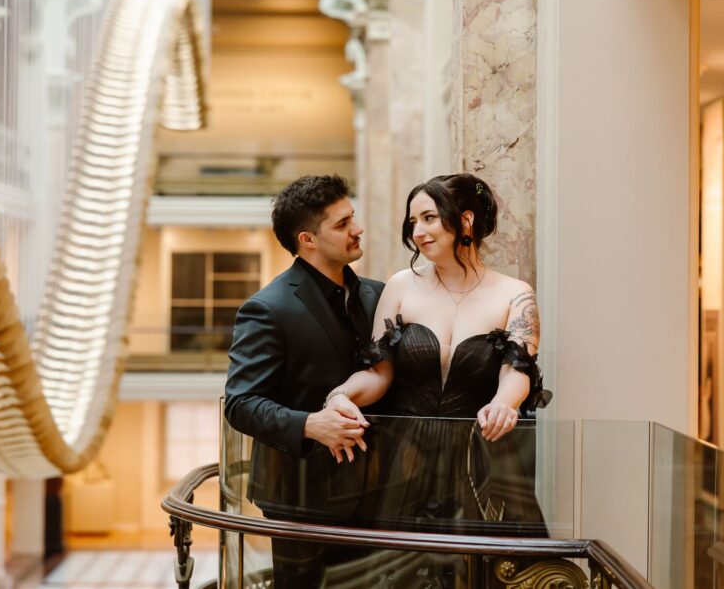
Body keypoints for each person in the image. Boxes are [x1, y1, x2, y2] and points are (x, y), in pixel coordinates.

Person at [324, 173, 552, 585]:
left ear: (464, 221)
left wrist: (505, 403)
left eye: (428, 218)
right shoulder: (400, 286)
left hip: (480, 460)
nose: (418, 232)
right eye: (413, 222)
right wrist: (340, 395)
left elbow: (516, 370)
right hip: (405, 459)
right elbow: (379, 373)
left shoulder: (515, 294)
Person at [224, 174, 384, 589]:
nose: (357, 228)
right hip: (301, 500)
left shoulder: (381, 295)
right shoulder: (266, 308)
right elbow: (240, 403)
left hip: (384, 494)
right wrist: (311, 424)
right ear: (307, 239)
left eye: (354, 217)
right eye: (342, 223)